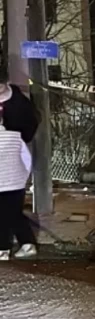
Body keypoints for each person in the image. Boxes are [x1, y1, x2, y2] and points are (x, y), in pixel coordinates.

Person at [0, 75, 38, 261]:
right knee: (13, 213)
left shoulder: (18, 104)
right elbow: (26, 157)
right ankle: (27, 243)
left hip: (4, 182)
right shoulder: (15, 136)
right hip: (16, 182)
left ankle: (3, 249)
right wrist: (23, 176)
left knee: (4, 216)